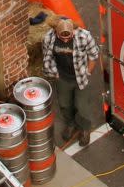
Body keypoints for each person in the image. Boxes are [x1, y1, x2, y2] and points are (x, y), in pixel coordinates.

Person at [42, 13, 104, 147]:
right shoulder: (48, 38)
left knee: (81, 106)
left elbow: (93, 56)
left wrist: (87, 72)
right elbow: (48, 56)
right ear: (56, 32)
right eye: (61, 37)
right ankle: (71, 124)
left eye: (68, 36)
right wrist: (55, 73)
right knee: (64, 104)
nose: (65, 40)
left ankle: (84, 128)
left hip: (80, 77)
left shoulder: (84, 36)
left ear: (73, 32)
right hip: (62, 78)